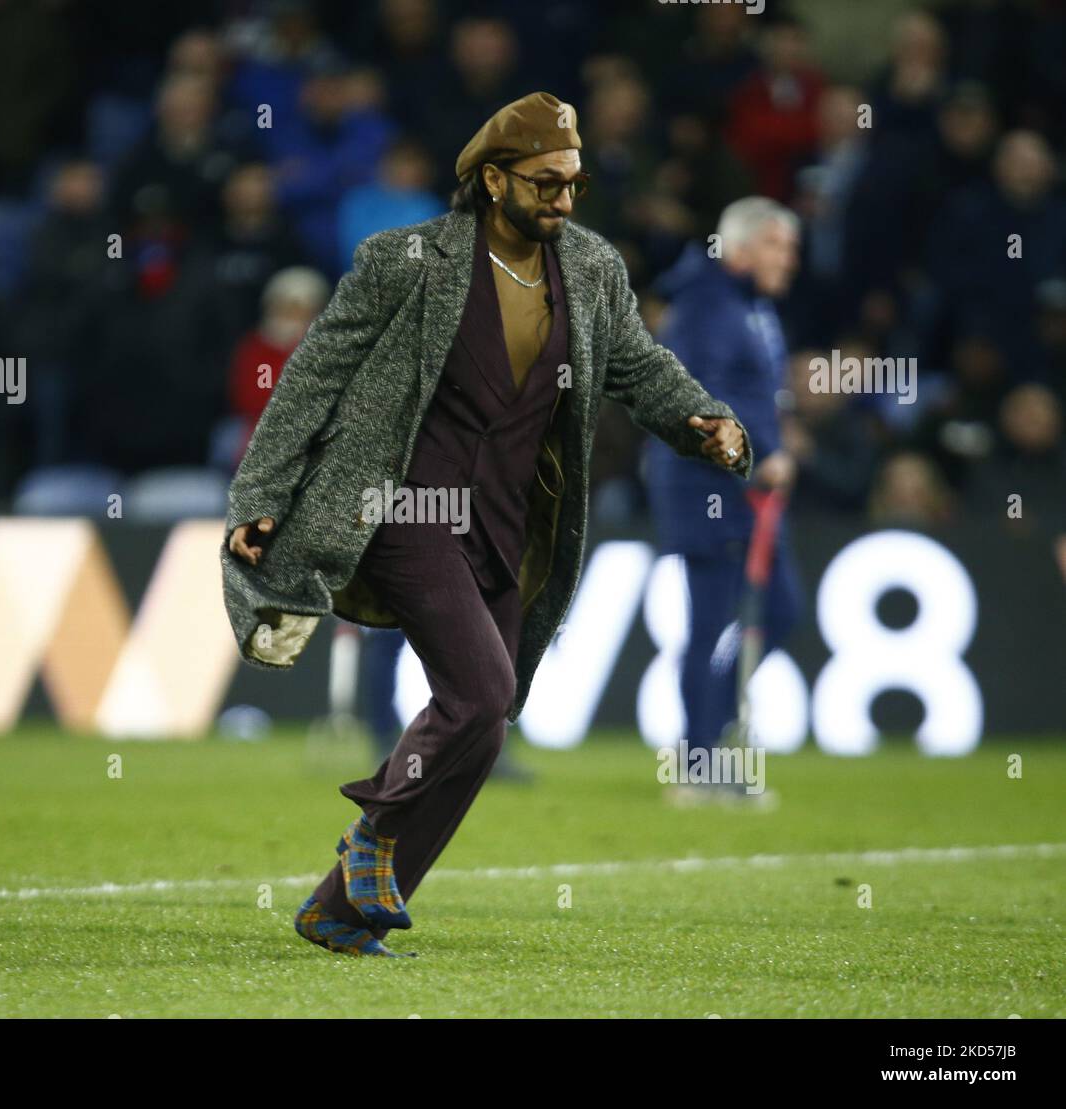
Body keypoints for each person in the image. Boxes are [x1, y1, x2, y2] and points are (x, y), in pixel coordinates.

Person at [221, 92, 753, 957]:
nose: (565, 201)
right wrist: (260, 494)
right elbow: (313, 376)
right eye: (547, 184)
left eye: (574, 184)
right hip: (405, 505)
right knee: (478, 694)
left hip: (510, 520)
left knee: (486, 717)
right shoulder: (406, 261)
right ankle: (372, 840)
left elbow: (636, 364)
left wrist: (701, 417)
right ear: (493, 178)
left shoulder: (589, 269)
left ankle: (337, 909)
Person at [644, 197, 804, 805]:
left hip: (747, 490)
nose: (788, 260)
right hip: (707, 487)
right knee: (711, 625)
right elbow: (698, 393)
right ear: (737, 247)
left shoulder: (749, 305)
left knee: (778, 612)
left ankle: (708, 739)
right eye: (775, 246)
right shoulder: (706, 304)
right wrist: (763, 449)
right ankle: (697, 761)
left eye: (789, 248)